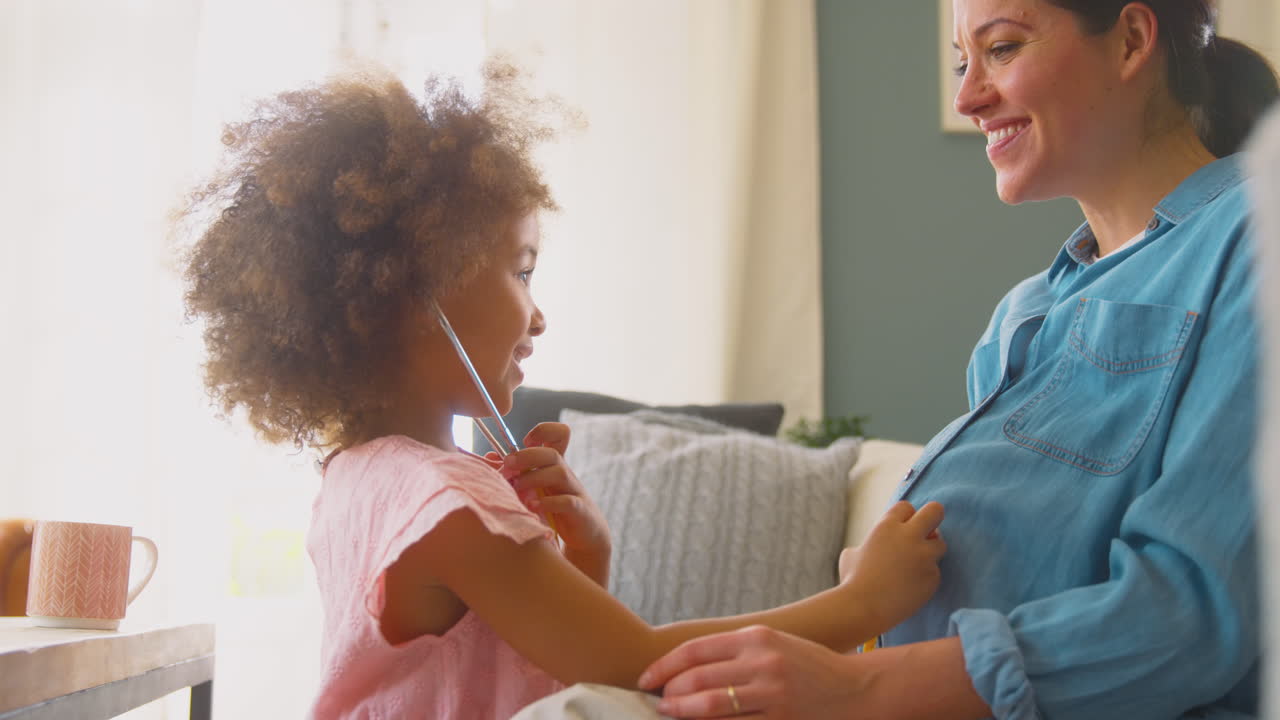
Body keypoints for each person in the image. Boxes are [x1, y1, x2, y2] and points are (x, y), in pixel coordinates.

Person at [179, 64, 947, 720]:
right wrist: (861, 606)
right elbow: (636, 665)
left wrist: (589, 557)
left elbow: (543, 674)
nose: (538, 314)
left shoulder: (363, 476)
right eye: (521, 270)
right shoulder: (442, 504)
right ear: (417, 298)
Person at [637, 1, 1280, 718]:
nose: (967, 96)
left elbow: (1194, 611)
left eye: (1001, 48)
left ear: (1131, 40)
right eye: (959, 62)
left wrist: (855, 688)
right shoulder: (1024, 315)